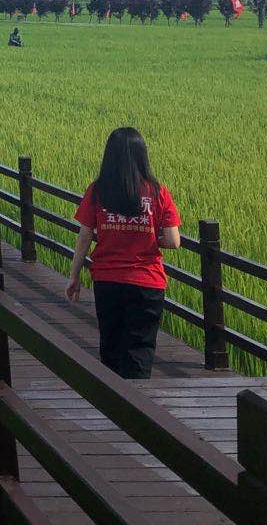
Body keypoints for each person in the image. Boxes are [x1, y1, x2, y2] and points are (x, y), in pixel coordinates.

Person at [65, 127, 182, 379]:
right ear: (142, 156)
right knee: (139, 351)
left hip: (107, 280)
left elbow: (85, 236)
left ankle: (114, 399)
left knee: (111, 348)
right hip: (147, 282)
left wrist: (74, 275)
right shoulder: (158, 192)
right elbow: (174, 241)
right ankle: (137, 400)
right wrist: (150, 235)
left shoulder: (98, 191)